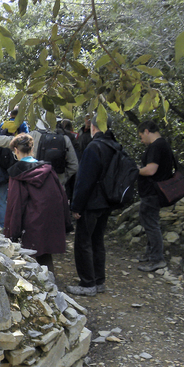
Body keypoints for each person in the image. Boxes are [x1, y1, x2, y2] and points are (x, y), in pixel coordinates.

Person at [3, 133, 70, 275]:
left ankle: (38, 290)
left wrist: (11, 232)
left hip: (30, 221)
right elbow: (60, 195)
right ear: (32, 149)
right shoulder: (48, 169)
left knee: (30, 257)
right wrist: (65, 222)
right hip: (50, 218)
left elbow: (15, 203)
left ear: (16, 150)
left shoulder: (17, 173)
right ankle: (51, 285)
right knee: (45, 254)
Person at [67, 116, 119, 296]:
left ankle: (88, 283)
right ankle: (99, 280)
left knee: (83, 242)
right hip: (107, 201)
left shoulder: (93, 147)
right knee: (98, 241)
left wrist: (76, 206)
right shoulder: (115, 146)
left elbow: (84, 181)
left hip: (91, 202)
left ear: (94, 127)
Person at [135, 119, 176, 272]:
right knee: (150, 222)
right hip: (156, 191)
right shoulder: (163, 144)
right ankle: (150, 254)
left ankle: (157, 259)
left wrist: (136, 170)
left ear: (146, 131)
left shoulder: (156, 146)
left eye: (141, 136)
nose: (141, 140)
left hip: (153, 192)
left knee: (151, 224)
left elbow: (151, 170)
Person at [0, 128, 79, 190]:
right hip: (57, 187)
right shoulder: (65, 139)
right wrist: (62, 179)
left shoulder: (34, 136)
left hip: (34, 186)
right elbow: (74, 165)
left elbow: (8, 140)